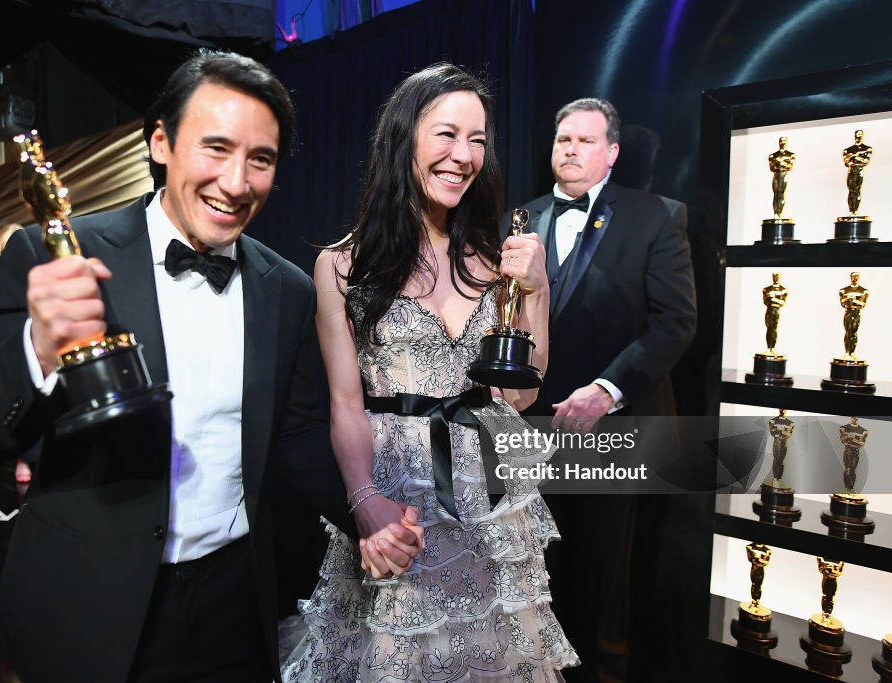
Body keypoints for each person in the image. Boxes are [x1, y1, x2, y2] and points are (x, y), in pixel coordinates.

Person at [0, 50, 421, 683]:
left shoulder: (286, 289)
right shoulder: (55, 253)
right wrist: (39, 347)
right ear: (160, 142)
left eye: (261, 159)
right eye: (215, 149)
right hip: (86, 608)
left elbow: (297, 431)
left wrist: (364, 510)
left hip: (233, 609)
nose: (235, 182)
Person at [283, 63, 578, 682]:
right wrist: (364, 502)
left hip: (487, 494)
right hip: (398, 490)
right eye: (446, 134)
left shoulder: (496, 260)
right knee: (400, 653)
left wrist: (538, 294)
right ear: (405, 138)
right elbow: (343, 404)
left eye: (477, 140)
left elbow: (518, 398)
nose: (462, 155)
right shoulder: (342, 266)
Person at [505, 98, 696, 681]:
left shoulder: (657, 216)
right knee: (532, 565)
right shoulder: (522, 218)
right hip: (528, 428)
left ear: (612, 152)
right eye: (563, 139)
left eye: (585, 141)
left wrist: (608, 390)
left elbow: (675, 322)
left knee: (601, 572)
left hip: (612, 427)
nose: (570, 149)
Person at [842, 129, 872, 216]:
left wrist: (854, 157)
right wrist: (856, 157)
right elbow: (847, 163)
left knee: (856, 190)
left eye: (860, 135)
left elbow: (865, 161)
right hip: (851, 171)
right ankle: (851, 211)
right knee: (851, 191)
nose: (858, 137)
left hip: (859, 170)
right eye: (857, 135)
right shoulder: (847, 150)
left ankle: (855, 211)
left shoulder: (867, 149)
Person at [768, 136, 795, 218]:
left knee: (781, 194)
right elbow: (772, 168)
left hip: (783, 175)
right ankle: (776, 213)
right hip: (776, 175)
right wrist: (782, 164)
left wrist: (780, 163)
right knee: (775, 194)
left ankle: (780, 213)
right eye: (781, 141)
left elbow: (789, 167)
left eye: (784, 141)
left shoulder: (790, 155)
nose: (782, 142)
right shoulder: (773, 155)